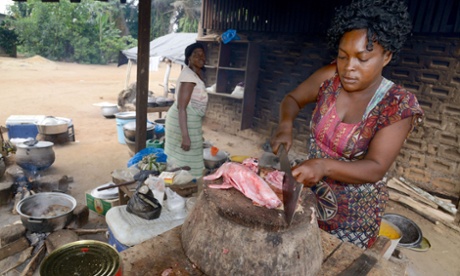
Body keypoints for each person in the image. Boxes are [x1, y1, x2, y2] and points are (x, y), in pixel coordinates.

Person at [271, 0, 424, 249]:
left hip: (351, 220)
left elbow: (375, 168)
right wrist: (285, 125)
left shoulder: (398, 105)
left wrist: (322, 165)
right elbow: (293, 99)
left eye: (363, 59)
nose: (349, 68)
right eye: (343, 56)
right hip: (307, 202)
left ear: (386, 56)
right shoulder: (330, 78)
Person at [164, 42, 208, 178]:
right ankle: (182, 188)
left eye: (202, 54)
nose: (201, 57)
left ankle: (182, 187)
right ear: (188, 58)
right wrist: (185, 136)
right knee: (186, 159)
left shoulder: (194, 74)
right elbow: (181, 108)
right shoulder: (189, 77)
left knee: (184, 160)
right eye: (196, 54)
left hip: (188, 120)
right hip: (182, 120)